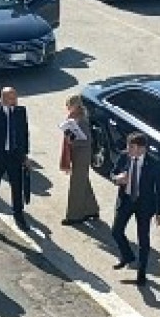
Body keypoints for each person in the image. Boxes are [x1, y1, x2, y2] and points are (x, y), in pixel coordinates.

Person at [110, 132, 160, 286]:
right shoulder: (124, 157)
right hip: (126, 200)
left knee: (143, 239)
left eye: (132, 147)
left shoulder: (153, 164)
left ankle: (141, 274)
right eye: (128, 146)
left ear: (142, 149)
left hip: (144, 204)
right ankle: (127, 256)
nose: (128, 149)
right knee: (116, 231)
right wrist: (117, 179)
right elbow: (113, 173)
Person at [0, 87, 29, 233]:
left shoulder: (20, 112)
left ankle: (19, 216)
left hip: (14, 157)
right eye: (10, 98)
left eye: (15, 97)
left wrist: (25, 155)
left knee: (17, 188)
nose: (13, 100)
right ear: (2, 99)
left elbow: (24, 135)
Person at [60, 95, 100, 225]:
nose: (68, 108)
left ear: (76, 106)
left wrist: (71, 138)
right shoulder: (74, 117)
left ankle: (75, 216)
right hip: (77, 152)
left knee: (76, 184)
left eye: (69, 105)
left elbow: (86, 140)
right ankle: (91, 209)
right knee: (82, 181)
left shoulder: (82, 119)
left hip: (82, 154)